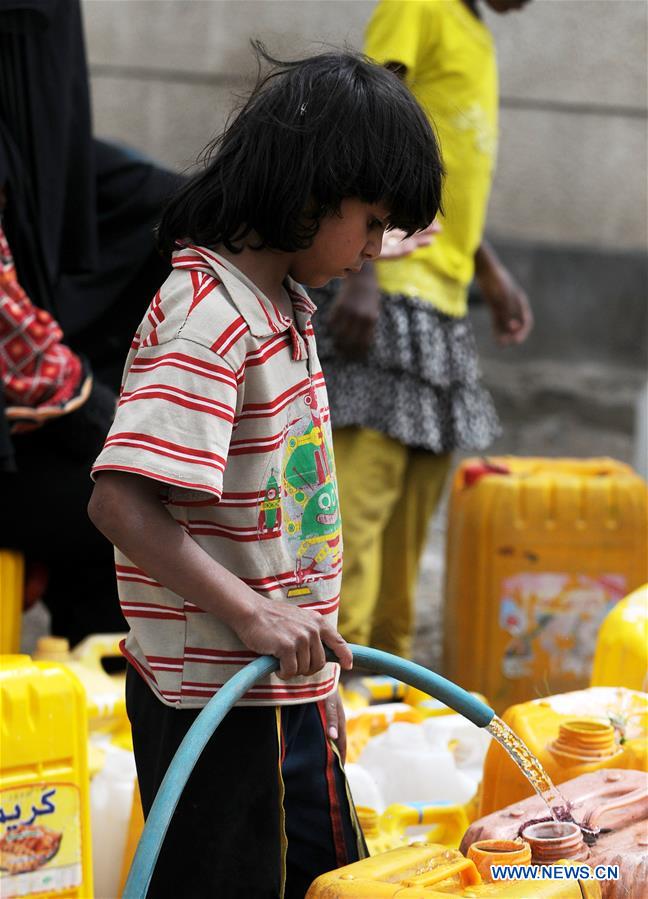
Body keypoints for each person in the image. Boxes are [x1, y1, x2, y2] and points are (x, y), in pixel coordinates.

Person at [87, 45, 443, 898]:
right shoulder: (208, 318)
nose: (373, 249)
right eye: (371, 221)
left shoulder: (279, 306)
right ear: (312, 193)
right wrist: (253, 614)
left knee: (332, 878)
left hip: (280, 692)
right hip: (214, 703)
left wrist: (316, 683)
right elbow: (120, 501)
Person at [312, 0, 534, 661]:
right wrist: (361, 270)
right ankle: (336, 686)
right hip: (391, 297)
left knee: (410, 522)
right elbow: (364, 123)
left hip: (443, 300)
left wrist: (486, 269)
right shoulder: (421, 5)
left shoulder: (473, 32)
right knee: (356, 509)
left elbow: (439, 176)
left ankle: (388, 682)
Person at [0, 0, 182, 642]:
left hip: (22, 435)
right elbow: (11, 336)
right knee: (127, 502)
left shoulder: (32, 149)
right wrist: (95, 412)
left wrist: (257, 211)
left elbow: (133, 189)